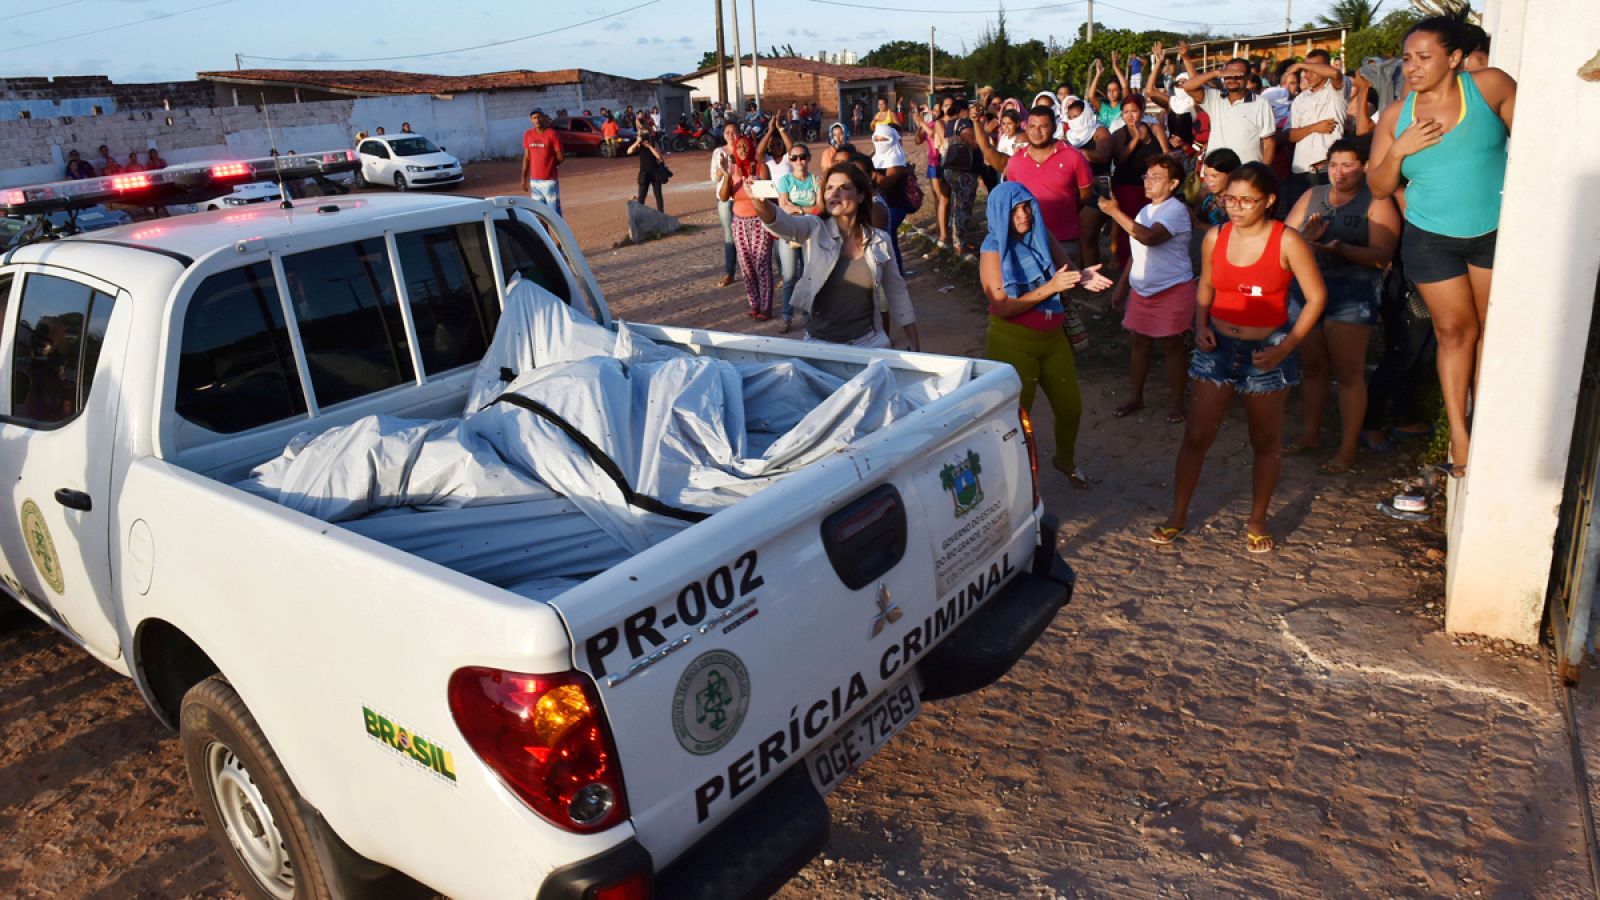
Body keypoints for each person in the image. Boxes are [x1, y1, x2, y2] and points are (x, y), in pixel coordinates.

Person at [1367, 15, 1516, 477]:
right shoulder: (1396, 116)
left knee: (1492, 331)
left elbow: (1533, 146)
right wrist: (1399, 150)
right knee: (1456, 333)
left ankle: (1489, 419)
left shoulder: (1490, 88)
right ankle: (1458, 432)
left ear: (1454, 59)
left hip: (1493, 233)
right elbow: (1377, 186)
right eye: (1408, 58)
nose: (1411, 67)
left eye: (1423, 57)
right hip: (1431, 240)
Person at [1153, 163, 1327, 552]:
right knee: (1196, 435)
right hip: (1216, 348)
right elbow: (1208, 285)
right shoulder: (1215, 236)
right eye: (1230, 198)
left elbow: (1316, 298)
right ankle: (1178, 514)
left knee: (1264, 439)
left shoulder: (1287, 241)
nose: (1236, 207)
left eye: (1246, 200)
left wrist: (1286, 347)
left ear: (1268, 201)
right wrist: (1200, 325)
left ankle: (1257, 518)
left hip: (1268, 350)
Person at [980, 182, 1113, 489]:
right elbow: (1003, 307)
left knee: (1070, 409)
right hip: (1013, 344)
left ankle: (1064, 459)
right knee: (1016, 419)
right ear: (1000, 213)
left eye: (1027, 206)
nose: (1024, 214)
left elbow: (1067, 270)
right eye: (1015, 210)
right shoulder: (992, 250)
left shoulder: (1041, 234)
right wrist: (1051, 288)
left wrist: (1081, 276)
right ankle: (1017, 479)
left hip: (1054, 340)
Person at [1282, 139, 1401, 473]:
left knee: (1349, 373)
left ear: (1364, 167)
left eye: (1348, 165)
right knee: (1313, 367)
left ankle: (1347, 448)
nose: (1339, 172)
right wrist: (1306, 237)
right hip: (1308, 289)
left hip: (1354, 291)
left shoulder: (1376, 200)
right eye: (1334, 165)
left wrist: (1339, 250)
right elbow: (1286, 241)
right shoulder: (1312, 196)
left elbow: (1382, 256)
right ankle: (1310, 434)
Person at [750, 163, 919, 350]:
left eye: (844, 188)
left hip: (871, 343)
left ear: (861, 195)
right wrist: (759, 201)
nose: (834, 193)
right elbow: (782, 223)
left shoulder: (880, 240)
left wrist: (914, 343)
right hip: (819, 345)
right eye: (829, 188)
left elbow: (897, 292)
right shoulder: (813, 227)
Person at [1100, 155, 1196, 423]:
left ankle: (1178, 403)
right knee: (1139, 345)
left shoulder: (1175, 210)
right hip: (1142, 289)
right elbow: (1136, 251)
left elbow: (1149, 238)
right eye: (1147, 176)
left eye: (1156, 178)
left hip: (1172, 288)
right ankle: (1136, 397)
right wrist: (1122, 287)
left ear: (1174, 183)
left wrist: (1115, 213)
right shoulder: (1145, 211)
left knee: (1172, 347)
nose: (1148, 182)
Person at [1179, 42, 1276, 166]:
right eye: (1228, 75)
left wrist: (1262, 173)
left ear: (1248, 77)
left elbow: (1269, 143)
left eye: (1238, 76)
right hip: (1216, 171)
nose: (1233, 79)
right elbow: (1188, 86)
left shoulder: (1261, 103)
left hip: (1246, 172)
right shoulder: (1215, 98)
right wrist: (1215, 73)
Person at [716, 135, 775, 319]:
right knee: (746, 266)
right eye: (738, 146)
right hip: (739, 222)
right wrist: (726, 176)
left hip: (759, 221)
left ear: (751, 147)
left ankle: (766, 307)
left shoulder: (761, 167)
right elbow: (725, 197)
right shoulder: (732, 169)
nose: (741, 149)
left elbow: (769, 197)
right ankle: (754, 304)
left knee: (761, 265)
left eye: (745, 146)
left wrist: (755, 182)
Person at [1108, 95, 1168, 267]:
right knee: (1125, 221)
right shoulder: (1119, 134)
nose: (1130, 116)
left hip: (1152, 185)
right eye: (1126, 112)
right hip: (1127, 184)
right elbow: (1119, 159)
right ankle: (1121, 257)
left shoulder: (1154, 128)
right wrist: (1135, 139)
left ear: (1141, 111)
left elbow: (1165, 153)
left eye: (1134, 111)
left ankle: (1151, 258)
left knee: (1151, 221)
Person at [1285, 50, 1347, 211]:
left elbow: (1335, 74)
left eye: (1313, 69)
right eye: (1305, 70)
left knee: (1328, 219)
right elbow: (1290, 135)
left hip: (1326, 169)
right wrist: (1314, 127)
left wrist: (1299, 64)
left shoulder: (1336, 91)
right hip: (1301, 169)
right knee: (1301, 220)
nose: (1307, 74)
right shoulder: (1300, 99)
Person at [774, 141, 821, 332]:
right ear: (790, 160)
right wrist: (806, 210)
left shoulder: (815, 180)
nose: (798, 161)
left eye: (802, 157)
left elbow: (820, 207)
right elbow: (784, 205)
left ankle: (808, 313)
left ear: (808, 159)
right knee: (789, 275)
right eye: (794, 158)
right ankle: (786, 315)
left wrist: (798, 209)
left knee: (807, 274)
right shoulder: (785, 180)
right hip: (790, 231)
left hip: (810, 231)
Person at [868, 123, 912, 273]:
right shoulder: (874, 157)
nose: (880, 143)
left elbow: (886, 183)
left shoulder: (896, 157)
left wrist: (870, 173)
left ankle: (896, 274)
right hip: (880, 205)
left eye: (884, 139)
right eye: (877, 139)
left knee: (889, 242)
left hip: (894, 205)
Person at [913, 101, 953, 254]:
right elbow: (918, 140)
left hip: (941, 162)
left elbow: (932, 135)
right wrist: (919, 125)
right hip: (932, 163)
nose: (935, 112)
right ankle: (939, 226)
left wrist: (921, 121)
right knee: (937, 197)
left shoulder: (942, 124)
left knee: (943, 197)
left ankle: (943, 232)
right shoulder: (929, 124)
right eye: (934, 110)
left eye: (938, 109)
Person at [941, 118, 984, 253]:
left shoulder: (954, 125)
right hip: (962, 173)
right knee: (961, 208)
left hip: (955, 172)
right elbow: (976, 144)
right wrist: (985, 134)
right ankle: (960, 243)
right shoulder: (965, 127)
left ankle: (960, 241)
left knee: (958, 206)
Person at [709, 122, 742, 288]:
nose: (730, 134)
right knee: (730, 236)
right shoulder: (718, 152)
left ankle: (750, 269)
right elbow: (714, 177)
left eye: (734, 131)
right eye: (727, 131)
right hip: (725, 198)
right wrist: (723, 169)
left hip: (743, 197)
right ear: (723, 134)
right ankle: (730, 272)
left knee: (745, 236)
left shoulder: (743, 148)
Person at [521, 109, 565, 213]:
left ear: (544, 118)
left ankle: (557, 230)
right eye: (534, 118)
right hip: (535, 182)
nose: (537, 120)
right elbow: (527, 157)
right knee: (539, 214)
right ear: (530, 120)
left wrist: (550, 165)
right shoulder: (528, 134)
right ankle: (544, 230)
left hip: (549, 181)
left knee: (554, 214)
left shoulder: (552, 134)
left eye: (539, 117)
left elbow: (561, 157)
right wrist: (524, 178)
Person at [627, 130, 668, 212]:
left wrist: (649, 146)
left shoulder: (654, 143)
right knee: (642, 195)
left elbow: (659, 157)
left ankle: (661, 213)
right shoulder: (639, 145)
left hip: (655, 172)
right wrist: (637, 142)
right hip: (644, 173)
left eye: (645, 134)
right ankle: (639, 214)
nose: (644, 136)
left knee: (658, 194)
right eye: (642, 135)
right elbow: (629, 151)